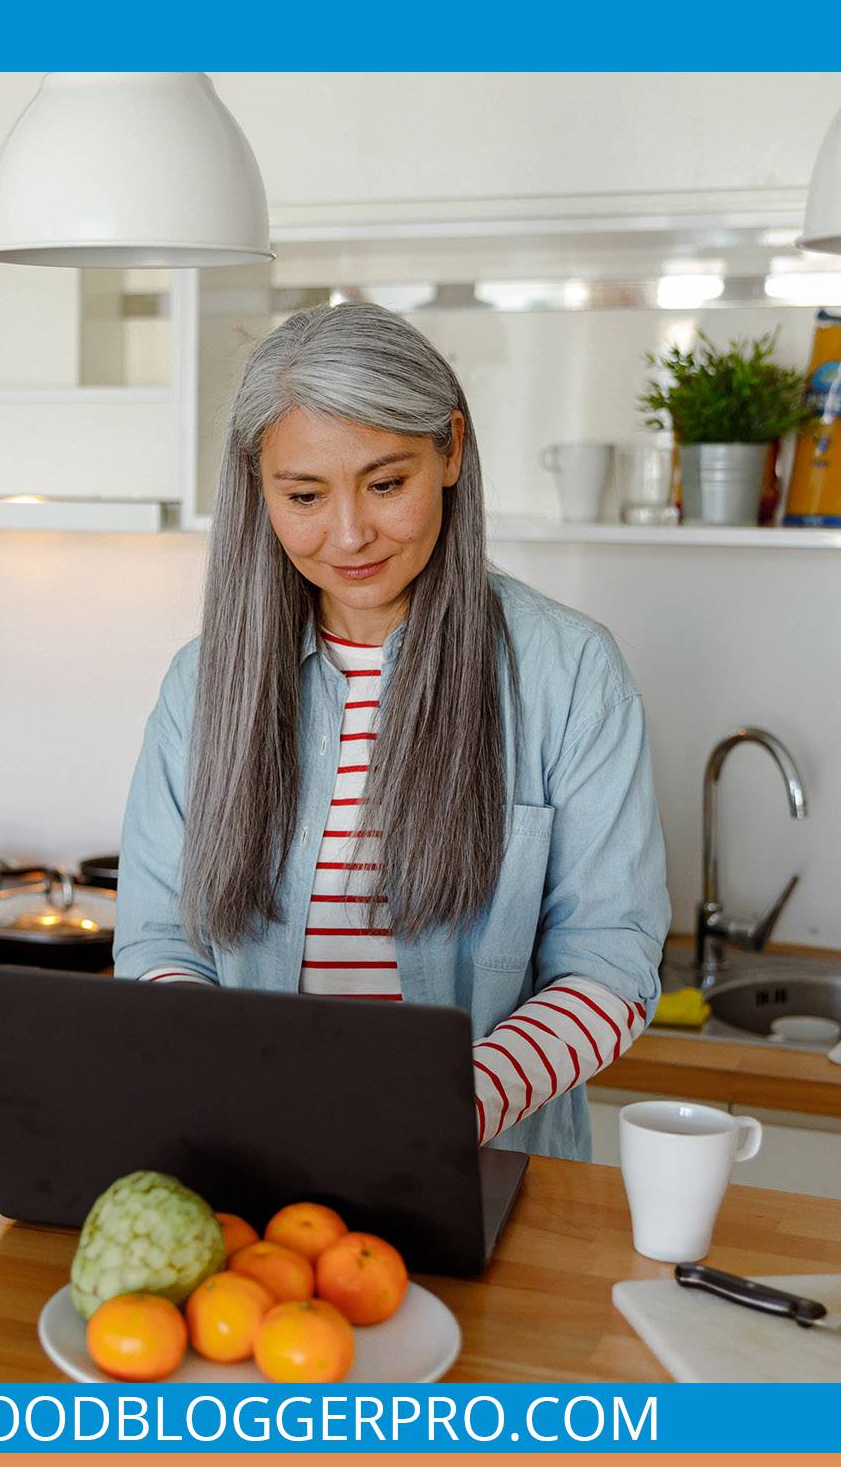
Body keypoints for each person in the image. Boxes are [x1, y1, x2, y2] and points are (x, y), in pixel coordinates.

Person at [114, 301, 670, 1160]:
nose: (349, 535)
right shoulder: (203, 682)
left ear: (450, 450)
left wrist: (443, 1110)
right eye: (304, 495)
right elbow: (157, 940)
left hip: (487, 1169)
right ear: (258, 489)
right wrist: (218, 1078)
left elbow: (610, 966)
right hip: (255, 1162)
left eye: (385, 484)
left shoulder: (571, 673)